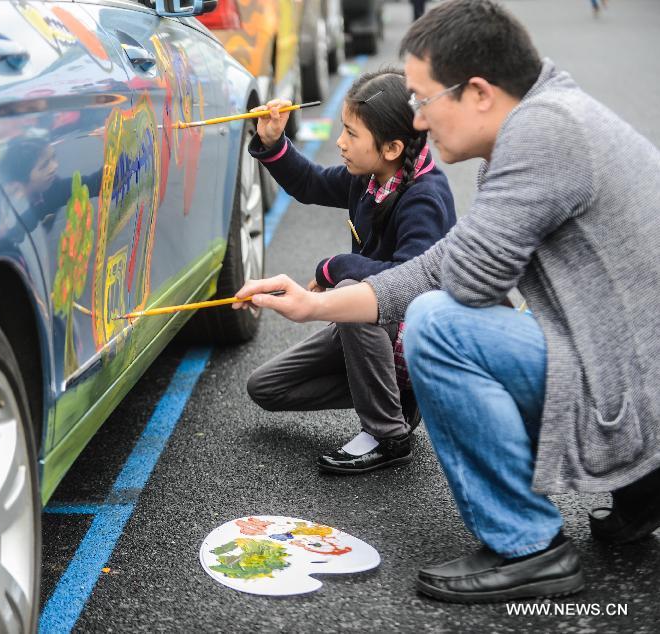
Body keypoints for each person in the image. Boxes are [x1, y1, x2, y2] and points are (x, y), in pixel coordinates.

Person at [234, 0, 660, 603]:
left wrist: (336, 290)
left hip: (638, 388)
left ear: (478, 92)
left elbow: (458, 282)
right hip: (634, 374)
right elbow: (443, 262)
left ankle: (528, 545)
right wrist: (311, 305)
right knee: (441, 313)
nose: (418, 122)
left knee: (438, 324)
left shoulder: (544, 136)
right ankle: (642, 477)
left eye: (422, 99)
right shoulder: (543, 121)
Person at [245, 70, 455, 475]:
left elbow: (405, 281)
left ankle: (388, 434)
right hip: (373, 331)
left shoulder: (425, 198)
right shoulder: (369, 176)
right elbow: (311, 184)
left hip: (414, 332)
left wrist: (335, 266)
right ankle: (395, 398)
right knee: (267, 388)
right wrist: (273, 142)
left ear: (392, 147)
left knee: (354, 288)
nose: (340, 143)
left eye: (350, 134)